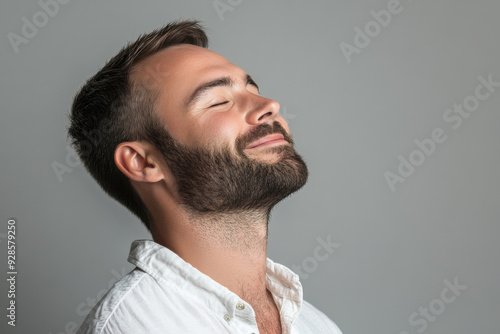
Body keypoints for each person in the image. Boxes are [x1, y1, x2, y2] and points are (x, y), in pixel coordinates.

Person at [70, 20, 342, 334]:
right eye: (219, 101)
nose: (270, 106)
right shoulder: (135, 325)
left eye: (253, 90)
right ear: (143, 162)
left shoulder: (318, 326)